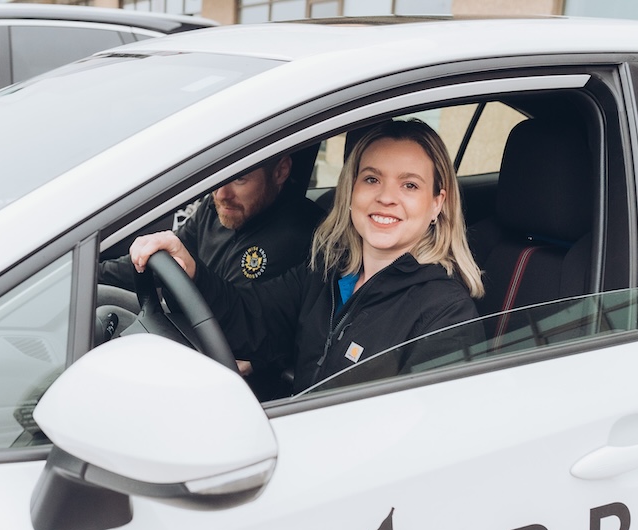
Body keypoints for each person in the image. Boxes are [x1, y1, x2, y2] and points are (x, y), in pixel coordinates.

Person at [129, 119, 486, 396]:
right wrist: (191, 270)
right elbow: (249, 319)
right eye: (372, 179)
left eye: (409, 185)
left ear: (437, 203)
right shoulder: (326, 273)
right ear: (350, 192)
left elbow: (431, 439)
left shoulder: (444, 314)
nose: (386, 198)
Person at [100, 153, 324, 398]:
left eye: (239, 178)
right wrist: (87, 274)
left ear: (280, 171)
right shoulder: (214, 209)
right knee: (100, 299)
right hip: (181, 329)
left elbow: (278, 322)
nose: (221, 193)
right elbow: (166, 258)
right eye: (218, 176)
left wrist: (261, 362)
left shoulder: (305, 236)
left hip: (227, 377)